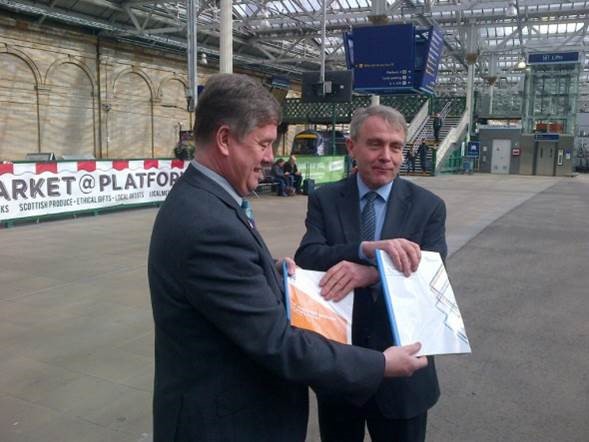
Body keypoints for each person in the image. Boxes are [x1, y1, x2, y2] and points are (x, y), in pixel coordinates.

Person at [148, 74, 429, 442]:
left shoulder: (204, 201)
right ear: (224, 140)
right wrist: (381, 364)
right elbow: (279, 343)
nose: (270, 157)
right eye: (264, 143)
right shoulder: (208, 223)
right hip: (227, 423)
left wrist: (269, 271)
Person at [295, 105, 448, 442]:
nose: (386, 156)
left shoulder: (428, 206)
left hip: (404, 376)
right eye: (375, 144)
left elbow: (433, 272)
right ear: (352, 147)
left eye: (396, 147)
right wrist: (364, 249)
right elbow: (308, 255)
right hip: (342, 368)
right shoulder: (325, 199)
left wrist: (373, 273)